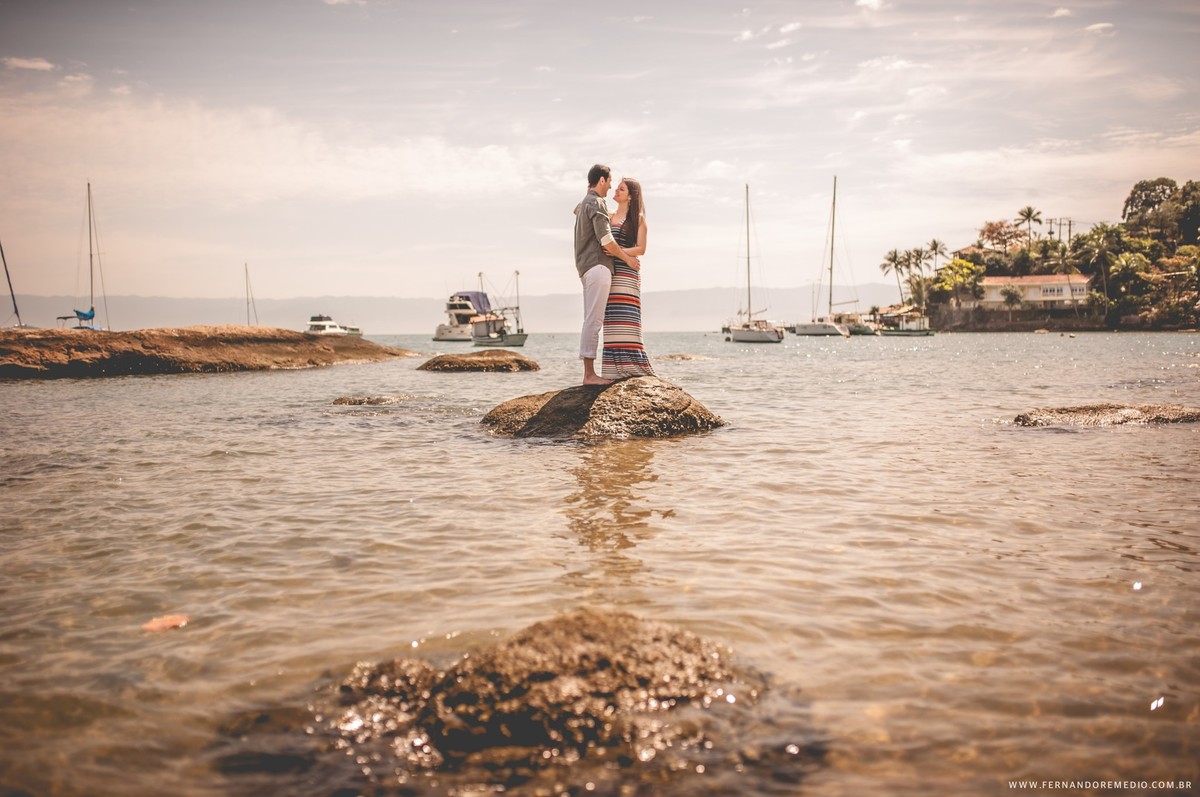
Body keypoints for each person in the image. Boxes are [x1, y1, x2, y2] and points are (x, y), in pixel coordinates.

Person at [573, 164, 640, 385]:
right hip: (598, 267)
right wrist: (628, 259)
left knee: (590, 319)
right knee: (594, 320)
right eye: (610, 181)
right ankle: (589, 375)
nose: (611, 186)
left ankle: (588, 373)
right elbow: (607, 242)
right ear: (602, 180)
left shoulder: (586, 202)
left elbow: (577, 209)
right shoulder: (597, 203)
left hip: (585, 268)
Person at [601, 177, 655, 379]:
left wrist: (618, 251)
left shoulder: (638, 220)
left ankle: (633, 367)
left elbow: (641, 249)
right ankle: (612, 371)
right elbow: (579, 210)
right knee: (612, 318)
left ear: (630, 196)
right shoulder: (607, 215)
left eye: (621, 189)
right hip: (610, 273)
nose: (616, 190)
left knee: (628, 319)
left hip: (627, 273)